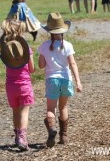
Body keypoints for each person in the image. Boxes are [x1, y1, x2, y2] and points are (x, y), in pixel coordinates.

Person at [38, 13, 82, 147]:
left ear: (49, 31)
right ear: (63, 30)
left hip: (52, 80)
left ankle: (51, 129)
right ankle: (64, 136)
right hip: (66, 79)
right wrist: (78, 82)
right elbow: (73, 64)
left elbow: (41, 65)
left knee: (51, 109)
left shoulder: (44, 46)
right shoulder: (68, 45)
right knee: (63, 106)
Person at [0, 19, 35, 151]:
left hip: (10, 86)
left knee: (15, 112)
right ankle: (22, 138)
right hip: (24, 85)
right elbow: (32, 69)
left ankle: (17, 135)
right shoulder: (26, 49)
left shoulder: (5, 49)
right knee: (24, 112)